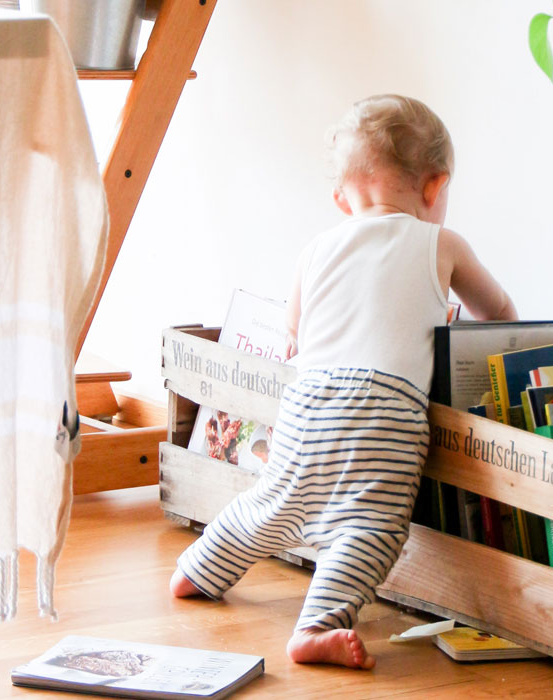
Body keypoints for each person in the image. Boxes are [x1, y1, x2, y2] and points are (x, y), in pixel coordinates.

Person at [169, 94, 517, 670]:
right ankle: (317, 625)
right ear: (435, 188)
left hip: (309, 401)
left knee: (275, 501)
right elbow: (500, 315)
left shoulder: (316, 248)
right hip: (387, 409)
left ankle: (198, 570)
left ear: (341, 198)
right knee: (372, 524)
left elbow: (293, 334)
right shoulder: (442, 244)